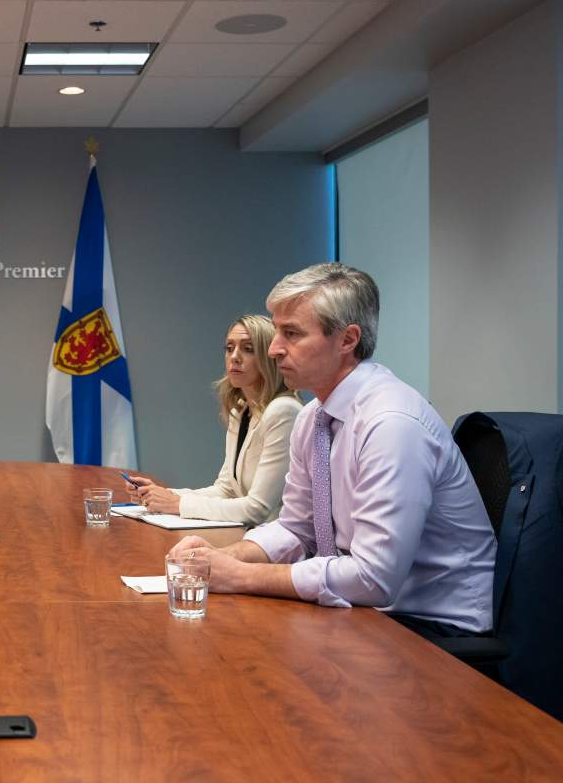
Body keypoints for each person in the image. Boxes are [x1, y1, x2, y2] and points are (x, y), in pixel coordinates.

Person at [170, 263, 496, 637]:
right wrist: (220, 559)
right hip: (369, 613)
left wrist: (242, 575)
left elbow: (373, 578)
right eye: (276, 331)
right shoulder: (314, 418)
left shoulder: (391, 424)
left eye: (291, 333)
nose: (274, 349)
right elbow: (297, 529)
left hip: (433, 628)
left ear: (347, 340)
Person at [125, 315, 301, 526]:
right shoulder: (241, 410)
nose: (234, 357)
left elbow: (258, 508)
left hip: (276, 544)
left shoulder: (283, 411)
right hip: (247, 534)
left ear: (269, 357)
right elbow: (226, 489)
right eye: (229, 348)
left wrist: (176, 503)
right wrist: (160, 494)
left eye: (248, 349)